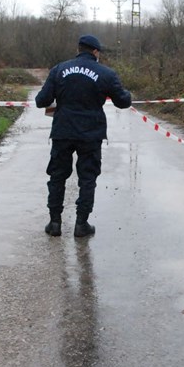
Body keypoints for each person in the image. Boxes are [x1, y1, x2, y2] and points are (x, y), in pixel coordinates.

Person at [35, 34, 132, 237]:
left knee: (57, 176)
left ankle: (54, 223)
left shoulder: (59, 69)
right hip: (91, 133)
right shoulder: (106, 73)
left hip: (63, 131)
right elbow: (123, 102)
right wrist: (128, 93)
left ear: (78, 49)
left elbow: (41, 100)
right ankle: (81, 224)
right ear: (95, 52)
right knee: (87, 178)